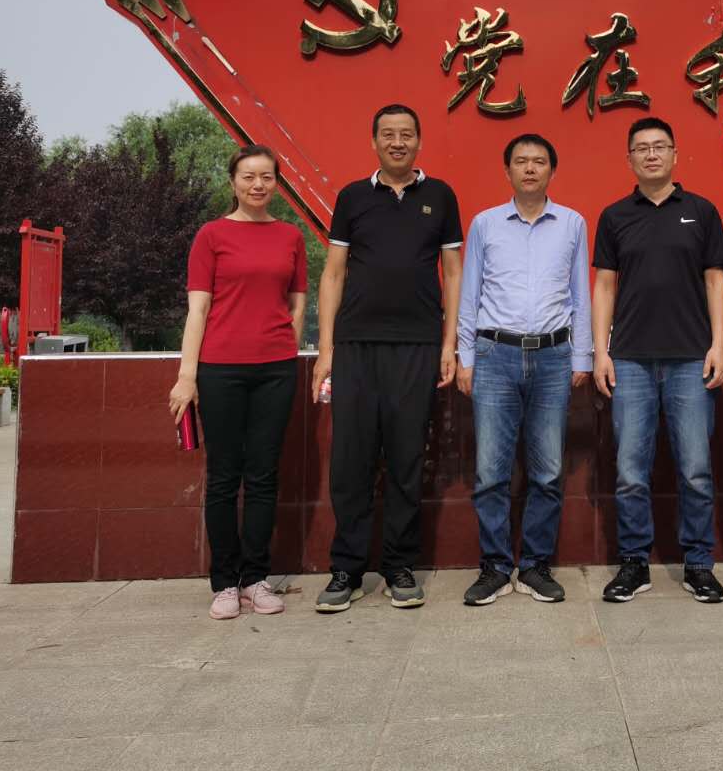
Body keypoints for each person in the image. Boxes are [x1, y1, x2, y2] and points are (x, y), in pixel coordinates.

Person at [313, 104, 463, 612]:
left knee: (405, 458)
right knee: (350, 461)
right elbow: (333, 273)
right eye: (388, 134)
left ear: (419, 141)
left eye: (406, 134)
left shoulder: (440, 196)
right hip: (355, 345)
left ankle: (399, 565)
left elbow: (453, 273)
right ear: (374, 141)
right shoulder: (352, 197)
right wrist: (326, 349)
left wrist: (448, 343)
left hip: (417, 345)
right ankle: (346, 570)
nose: (397, 142)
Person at [592, 116, 723, 603]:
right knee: (631, 470)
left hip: (691, 359)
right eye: (641, 148)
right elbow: (604, 286)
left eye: (659, 146)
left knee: (695, 469)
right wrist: (601, 351)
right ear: (629, 158)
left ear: (675, 154)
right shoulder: (614, 216)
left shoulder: (701, 211)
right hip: (630, 359)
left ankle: (698, 563)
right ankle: (634, 562)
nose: (651, 154)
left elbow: (716, 281)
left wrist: (719, 346)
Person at [169, 144, 307, 621]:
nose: (257, 185)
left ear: (276, 184)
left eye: (266, 177)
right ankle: (225, 582)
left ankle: (256, 579)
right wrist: (187, 376)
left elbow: (297, 304)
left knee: (264, 476)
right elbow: (198, 309)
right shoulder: (211, 235)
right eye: (249, 176)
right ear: (233, 182)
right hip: (220, 368)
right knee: (225, 477)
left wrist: (284, 345)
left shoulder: (290, 236)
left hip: (276, 369)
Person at [456, 133, 591, 605]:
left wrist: (582, 356)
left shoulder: (572, 223)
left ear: (552, 170)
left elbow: (581, 294)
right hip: (495, 355)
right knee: (490, 471)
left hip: (553, 357)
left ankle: (535, 565)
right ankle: (495, 567)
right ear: (507, 170)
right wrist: (465, 357)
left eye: (539, 162)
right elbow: (469, 294)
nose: (530, 169)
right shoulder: (485, 224)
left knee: (548, 470)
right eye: (521, 161)